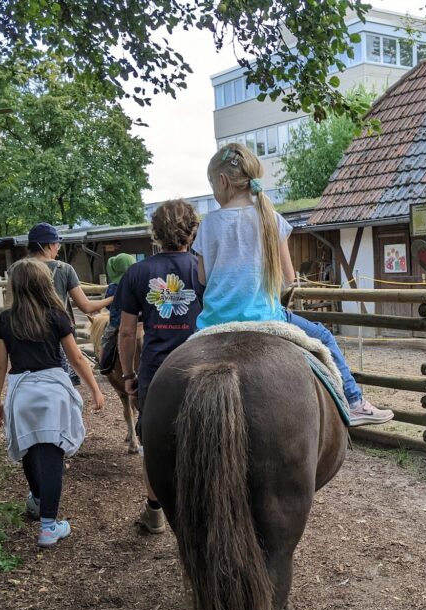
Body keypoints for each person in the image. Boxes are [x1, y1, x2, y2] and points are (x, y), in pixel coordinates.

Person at [195, 143, 392, 426]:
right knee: (323, 336)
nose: (214, 191)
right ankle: (354, 401)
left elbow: (202, 279)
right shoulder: (270, 219)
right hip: (266, 318)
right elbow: (289, 277)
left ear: (223, 181)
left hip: (214, 323)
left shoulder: (208, 223)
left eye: (212, 184)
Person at [0, 259, 105, 547]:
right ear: (45, 283)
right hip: (53, 392)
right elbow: (77, 358)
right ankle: (49, 526)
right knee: (52, 456)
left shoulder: (4, 320)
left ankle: (39, 499)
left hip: (22, 391)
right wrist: (95, 389)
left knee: (29, 449)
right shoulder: (56, 316)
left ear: (14, 286)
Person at [117, 200, 203, 532]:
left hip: (155, 369)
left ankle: (154, 513)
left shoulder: (137, 273)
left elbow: (126, 331)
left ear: (156, 232)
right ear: (192, 231)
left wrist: (127, 374)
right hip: (200, 364)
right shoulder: (202, 269)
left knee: (153, 441)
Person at [26, 223, 114, 385]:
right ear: (48, 245)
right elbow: (86, 307)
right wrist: (112, 298)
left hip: (26, 334)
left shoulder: (17, 270)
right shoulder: (63, 269)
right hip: (59, 335)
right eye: (57, 244)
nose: (58, 248)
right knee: (65, 383)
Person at [98, 252, 136, 375]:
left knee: (105, 340)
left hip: (117, 322)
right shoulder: (137, 283)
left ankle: (102, 364)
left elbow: (109, 306)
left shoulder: (113, 287)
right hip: (139, 320)